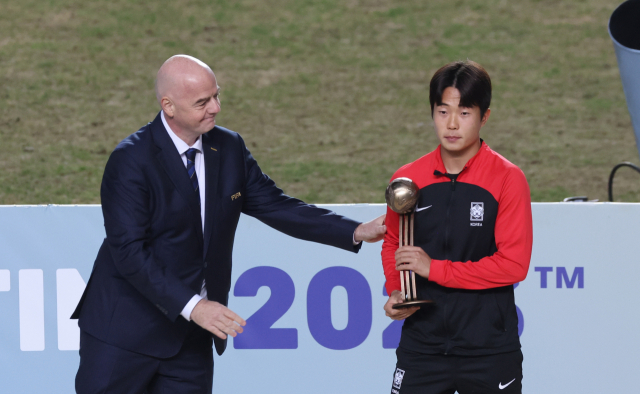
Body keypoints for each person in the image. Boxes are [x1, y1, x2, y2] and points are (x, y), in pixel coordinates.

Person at [71, 54, 386, 394]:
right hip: (123, 336)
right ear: (169, 106)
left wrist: (354, 230)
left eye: (217, 95)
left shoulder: (229, 146)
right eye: (202, 102)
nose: (216, 108)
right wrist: (196, 307)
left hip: (190, 341)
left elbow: (275, 204)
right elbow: (130, 253)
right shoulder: (130, 160)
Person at [382, 60, 533, 394]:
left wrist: (434, 269)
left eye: (464, 113)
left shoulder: (508, 179)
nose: (451, 124)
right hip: (422, 347)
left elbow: (513, 264)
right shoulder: (408, 179)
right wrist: (397, 290)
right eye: (442, 111)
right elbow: (393, 241)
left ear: (485, 116)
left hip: (490, 350)